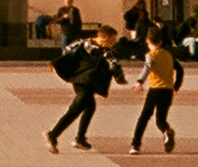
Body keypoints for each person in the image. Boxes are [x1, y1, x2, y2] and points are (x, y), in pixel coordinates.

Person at [45, 25, 117, 153]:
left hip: (78, 79)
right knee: (75, 109)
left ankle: (80, 138)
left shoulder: (85, 42)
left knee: (90, 107)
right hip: (86, 82)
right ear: (105, 37)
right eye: (113, 38)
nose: (114, 41)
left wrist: (73, 66)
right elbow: (112, 64)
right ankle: (53, 135)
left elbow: (67, 50)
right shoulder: (104, 50)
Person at [129, 21, 183, 154]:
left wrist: (139, 81)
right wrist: (176, 86)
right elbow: (180, 70)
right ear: (160, 40)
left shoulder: (150, 55)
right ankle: (166, 131)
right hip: (168, 90)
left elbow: (147, 67)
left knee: (144, 117)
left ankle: (135, 145)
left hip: (155, 89)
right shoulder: (168, 55)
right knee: (161, 119)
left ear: (147, 41)